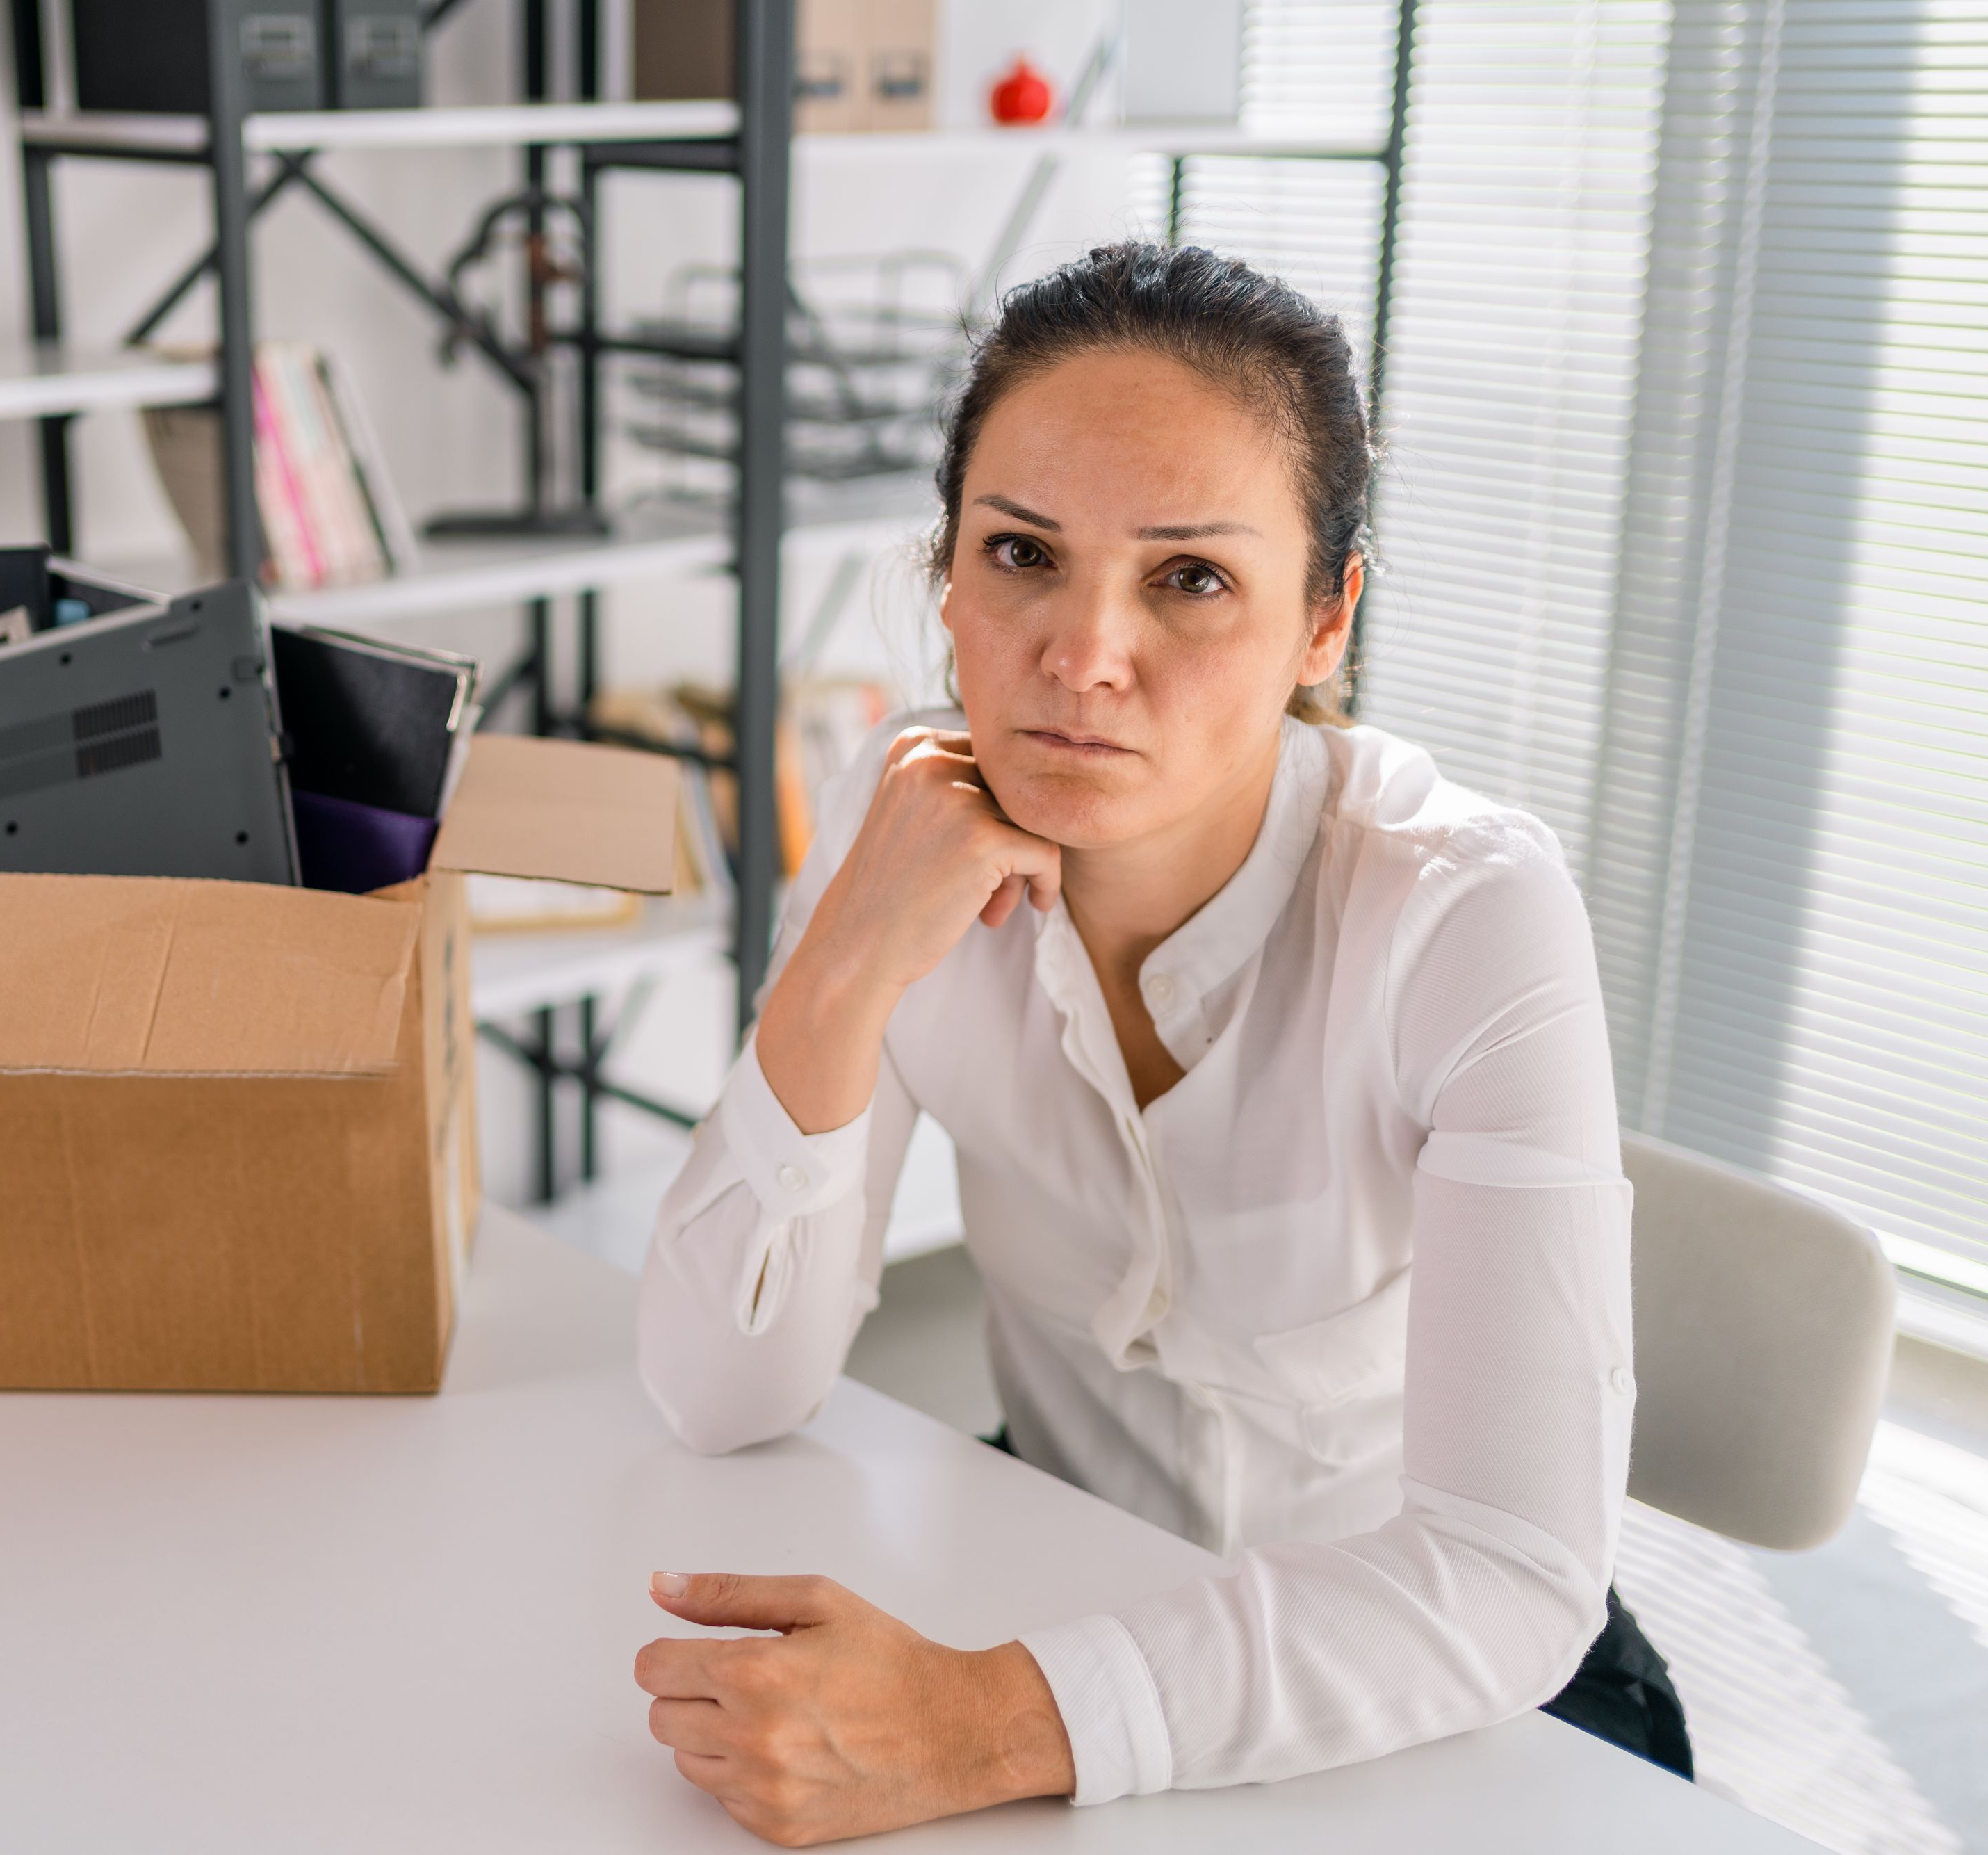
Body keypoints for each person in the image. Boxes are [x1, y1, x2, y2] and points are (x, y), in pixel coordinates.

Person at [629, 243, 1690, 1846]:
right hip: (1050, 1567)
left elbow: (1506, 1567)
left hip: (1435, 1685)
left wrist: (991, 1717)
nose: (1078, 656)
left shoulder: (1461, 909)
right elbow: (722, 1390)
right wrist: (842, 959)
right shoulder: (891, 816)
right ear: (944, 578)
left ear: (1324, 618)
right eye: (1019, 554)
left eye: (1188, 578)